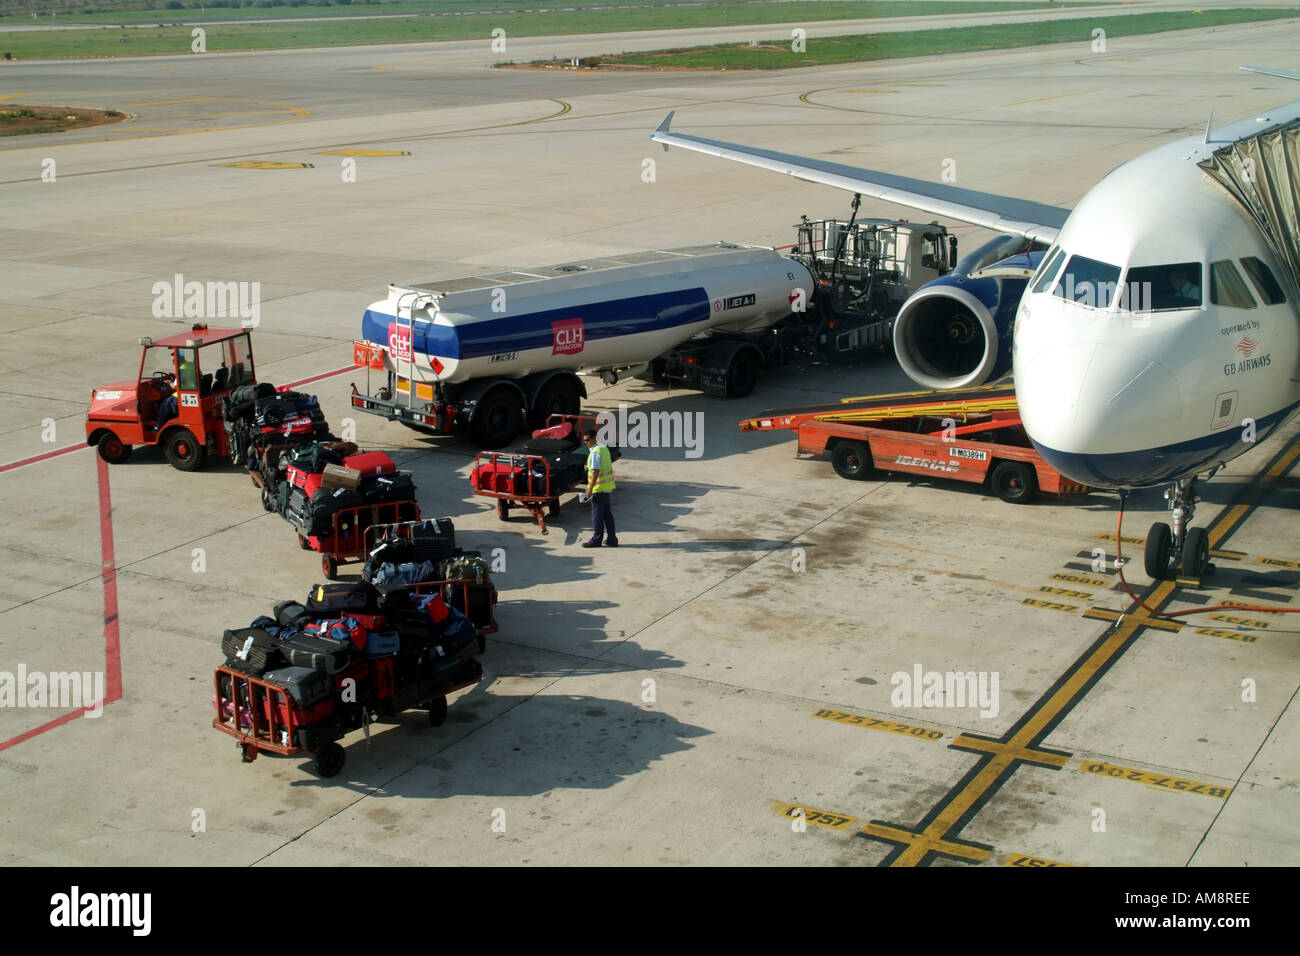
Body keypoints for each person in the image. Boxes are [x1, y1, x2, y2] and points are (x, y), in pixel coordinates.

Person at [581, 428, 617, 548]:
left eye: (587, 440)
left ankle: (596, 540)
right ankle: (612, 539)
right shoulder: (603, 448)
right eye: (584, 441)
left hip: (599, 489)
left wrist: (589, 489)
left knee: (597, 516)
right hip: (606, 488)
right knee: (607, 515)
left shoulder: (595, 452)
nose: (586, 443)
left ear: (594, 439)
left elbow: (596, 471)